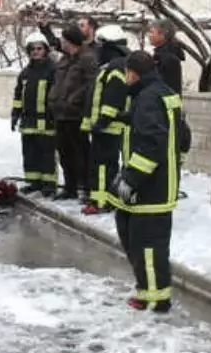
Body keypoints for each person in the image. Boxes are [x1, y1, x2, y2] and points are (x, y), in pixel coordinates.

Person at [110, 50, 189, 313]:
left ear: (133, 73)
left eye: (126, 73)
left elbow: (152, 143)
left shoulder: (147, 99)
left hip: (150, 189)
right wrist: (125, 118)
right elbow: (178, 133)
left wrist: (131, 179)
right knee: (138, 237)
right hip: (160, 183)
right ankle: (149, 291)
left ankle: (155, 299)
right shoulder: (163, 93)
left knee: (146, 246)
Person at [81, 25, 130, 216]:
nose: (98, 51)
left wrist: (103, 120)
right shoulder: (111, 67)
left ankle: (101, 201)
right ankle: (104, 199)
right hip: (105, 127)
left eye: (101, 47)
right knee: (103, 166)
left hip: (109, 128)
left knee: (102, 167)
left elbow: (113, 97)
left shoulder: (116, 67)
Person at [50, 25, 99, 203]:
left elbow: (91, 85)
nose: (61, 42)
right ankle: (69, 187)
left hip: (76, 114)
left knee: (81, 153)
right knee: (64, 152)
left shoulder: (87, 59)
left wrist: (74, 99)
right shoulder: (64, 59)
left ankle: (85, 188)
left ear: (70, 41)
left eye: (63, 40)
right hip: (60, 113)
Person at [11, 32, 58, 197]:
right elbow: (18, 96)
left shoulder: (53, 70)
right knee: (30, 153)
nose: (36, 52)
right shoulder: (25, 73)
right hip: (28, 121)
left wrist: (55, 117)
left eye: (39, 48)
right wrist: (15, 115)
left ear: (45, 50)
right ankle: (33, 182)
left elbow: (57, 95)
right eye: (32, 49)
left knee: (46, 154)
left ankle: (49, 184)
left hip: (47, 121)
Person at [147, 19, 185, 95]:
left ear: (163, 35)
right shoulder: (160, 55)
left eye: (152, 32)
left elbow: (159, 84)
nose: (149, 35)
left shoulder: (169, 58)